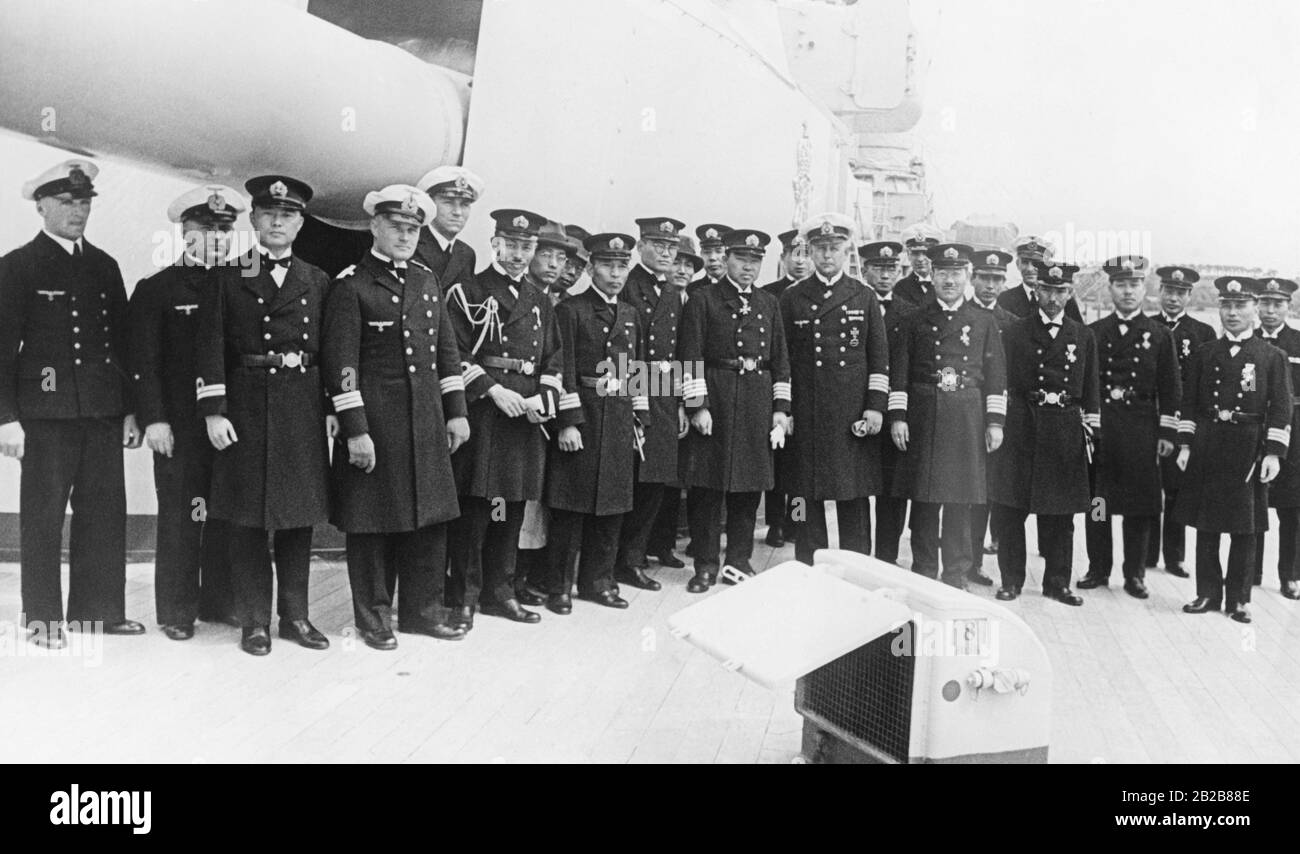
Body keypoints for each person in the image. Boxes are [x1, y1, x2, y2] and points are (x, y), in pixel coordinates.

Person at [0, 159, 145, 649]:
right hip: (45, 416)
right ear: (40, 205)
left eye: (83, 202)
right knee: (43, 517)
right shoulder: (17, 266)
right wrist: (6, 418)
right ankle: (42, 618)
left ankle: (99, 612)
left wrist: (129, 409)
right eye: (66, 202)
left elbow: (123, 345)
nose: (77, 211)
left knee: (104, 514)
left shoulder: (104, 265)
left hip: (102, 412)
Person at [322, 185, 471, 650]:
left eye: (412, 228)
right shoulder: (351, 285)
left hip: (425, 422)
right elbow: (341, 366)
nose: (405, 235)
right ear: (375, 227)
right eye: (396, 227)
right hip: (376, 425)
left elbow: (446, 353)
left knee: (429, 520)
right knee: (371, 524)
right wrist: (356, 431)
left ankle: (423, 613)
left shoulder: (427, 281)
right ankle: (374, 618)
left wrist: (457, 413)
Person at [195, 175, 332, 656]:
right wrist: (214, 410)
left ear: (299, 224)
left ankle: (295, 616)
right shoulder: (227, 277)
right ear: (254, 220)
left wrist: (335, 407)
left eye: (288, 215)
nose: (278, 221)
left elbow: (331, 353)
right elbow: (208, 347)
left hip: (301, 407)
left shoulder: (317, 280)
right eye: (269, 213)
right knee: (247, 520)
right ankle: (254, 621)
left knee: (298, 518)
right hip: (246, 408)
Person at [128, 184, 241, 640]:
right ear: (184, 232)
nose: (215, 238)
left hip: (229, 425)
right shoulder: (157, 289)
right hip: (178, 426)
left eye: (223, 230)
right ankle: (176, 611)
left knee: (223, 514)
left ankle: (218, 602)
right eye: (205, 229)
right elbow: (142, 362)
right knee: (181, 517)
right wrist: (153, 418)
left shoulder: (241, 286)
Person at [446, 208, 560, 629]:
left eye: (525, 246)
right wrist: (494, 391)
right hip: (486, 415)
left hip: (525, 417)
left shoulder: (538, 300)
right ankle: (463, 597)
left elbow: (553, 359)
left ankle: (500, 592)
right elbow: (454, 354)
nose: (518, 254)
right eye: (511, 244)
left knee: (509, 509)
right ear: (494, 243)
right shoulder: (468, 291)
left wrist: (544, 398)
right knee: (477, 511)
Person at [678, 229, 791, 591]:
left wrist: (780, 409)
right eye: (742, 259)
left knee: (748, 487)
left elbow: (780, 360)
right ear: (726, 258)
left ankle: (737, 561)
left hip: (757, 399)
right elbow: (690, 356)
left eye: (755, 261)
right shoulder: (703, 300)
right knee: (708, 488)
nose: (748, 267)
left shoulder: (768, 303)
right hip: (717, 394)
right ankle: (706, 565)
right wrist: (697, 405)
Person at [888, 243, 1006, 588]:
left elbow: (996, 376)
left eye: (956, 274)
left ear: (967, 276)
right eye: (943, 273)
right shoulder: (914, 319)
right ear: (932, 276)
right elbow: (900, 371)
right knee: (924, 499)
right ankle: (924, 568)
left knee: (960, 499)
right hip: (925, 412)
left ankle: (955, 572)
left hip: (967, 414)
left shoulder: (984, 321)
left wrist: (995, 423)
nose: (950, 280)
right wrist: (898, 415)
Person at [1176, 277, 1292, 624]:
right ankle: (1206, 593)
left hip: (1249, 448)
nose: (1232, 313)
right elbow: (1190, 403)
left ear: (1255, 309)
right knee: (1206, 525)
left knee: (1245, 527)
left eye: (1240, 306)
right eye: (1226, 305)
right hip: (1209, 444)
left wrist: (1273, 452)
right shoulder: (1204, 353)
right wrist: (1185, 444)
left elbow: (1282, 407)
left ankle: (1239, 599)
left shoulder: (1272, 356)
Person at [544, 232, 647, 613]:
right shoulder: (571, 311)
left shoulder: (631, 315)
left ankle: (598, 583)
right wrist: (568, 422)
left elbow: (636, 369)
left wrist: (641, 417)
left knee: (612, 507)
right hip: (583, 417)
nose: (615, 274)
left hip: (619, 418)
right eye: (607, 265)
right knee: (571, 508)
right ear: (591, 268)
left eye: (622, 266)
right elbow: (562, 367)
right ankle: (558, 586)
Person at [779, 214, 888, 564]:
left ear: (847, 251)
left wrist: (874, 407)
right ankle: (803, 558)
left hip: (850, 411)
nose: (827, 256)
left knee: (854, 492)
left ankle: (859, 562)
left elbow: (879, 359)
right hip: (807, 409)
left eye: (835, 248)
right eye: (820, 249)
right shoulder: (793, 297)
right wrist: (785, 410)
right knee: (800, 492)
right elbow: (783, 359)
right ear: (809, 251)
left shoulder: (863, 296)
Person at [989, 260, 1099, 604]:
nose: (1053, 297)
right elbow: (1001, 380)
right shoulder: (1015, 331)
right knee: (1010, 510)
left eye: (1060, 291)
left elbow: (1091, 389)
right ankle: (1011, 580)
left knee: (1060, 514)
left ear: (1070, 293)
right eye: (1047, 290)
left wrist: (1091, 432)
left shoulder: (1083, 336)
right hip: (1022, 425)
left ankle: (1057, 582)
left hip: (1063, 429)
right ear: (1036, 291)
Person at [1079, 256, 1180, 599]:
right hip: (1102, 430)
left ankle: (1135, 574)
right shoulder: (1094, 333)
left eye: (1134, 284)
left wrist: (1167, 433)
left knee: (1138, 507)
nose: (1127, 291)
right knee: (1099, 505)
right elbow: (1084, 385)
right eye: (1120, 284)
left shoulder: (1159, 335)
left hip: (1141, 432)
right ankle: (1098, 568)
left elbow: (1171, 388)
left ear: (1144, 288)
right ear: (1110, 288)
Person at [613, 217, 686, 590]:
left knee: (656, 481)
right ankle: (621, 559)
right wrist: (636, 404)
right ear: (641, 245)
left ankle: (635, 555)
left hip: (664, 392)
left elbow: (680, 352)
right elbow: (621, 350)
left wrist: (685, 402)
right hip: (629, 391)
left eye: (671, 247)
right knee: (630, 480)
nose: (665, 252)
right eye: (657, 244)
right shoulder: (626, 284)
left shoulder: (673, 292)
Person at [1145, 266, 1215, 577]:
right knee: (1146, 488)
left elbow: (1205, 384)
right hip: (1146, 421)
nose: (1174, 298)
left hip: (1182, 421)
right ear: (1160, 292)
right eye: (1169, 291)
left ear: (1189, 295)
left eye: (1180, 293)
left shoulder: (1202, 333)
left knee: (1175, 489)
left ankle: (1174, 557)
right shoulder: (1145, 327)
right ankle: (1145, 555)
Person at [645, 233, 703, 569]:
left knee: (671, 478)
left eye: (687, 265)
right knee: (649, 477)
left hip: (672, 398)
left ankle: (662, 544)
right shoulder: (643, 291)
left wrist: (685, 402)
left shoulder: (686, 299)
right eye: (676, 261)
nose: (681, 269)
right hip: (646, 395)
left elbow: (688, 352)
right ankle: (638, 551)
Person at [859, 240, 916, 565]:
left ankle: (886, 558)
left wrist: (897, 413)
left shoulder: (909, 313)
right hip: (862, 410)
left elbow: (905, 369)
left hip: (893, 414)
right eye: (878, 268)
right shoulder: (853, 303)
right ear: (865, 269)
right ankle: (861, 556)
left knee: (892, 493)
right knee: (858, 490)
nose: (884, 275)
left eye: (891, 268)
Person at [966, 249, 1017, 585]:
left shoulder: (1011, 324)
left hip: (999, 419)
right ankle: (959, 559)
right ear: (972, 279)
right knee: (963, 490)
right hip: (966, 414)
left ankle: (976, 561)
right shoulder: (961, 314)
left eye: (997, 279)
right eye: (984, 277)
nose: (990, 285)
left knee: (987, 492)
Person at [762, 229, 813, 548]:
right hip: (778, 387)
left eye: (806, 254)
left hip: (809, 390)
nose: (800, 261)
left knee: (802, 464)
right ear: (782, 259)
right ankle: (775, 524)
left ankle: (797, 521)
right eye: (794, 255)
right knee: (777, 460)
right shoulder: (771, 295)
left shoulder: (817, 294)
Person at [1253, 277, 1300, 599]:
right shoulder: (1247, 340)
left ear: (1289, 306)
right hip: (1254, 431)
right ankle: (1250, 571)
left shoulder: (1298, 341)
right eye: (1265, 304)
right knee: (1253, 503)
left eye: (1277, 304)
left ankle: (1289, 576)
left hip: (1294, 435)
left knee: (1292, 509)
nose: (1270, 311)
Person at [413, 165, 483, 295]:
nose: (457, 212)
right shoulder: (410, 244)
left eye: (464, 204)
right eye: (448, 202)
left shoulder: (466, 254)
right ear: (430, 204)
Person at [997, 236, 1083, 322]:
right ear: (1017, 264)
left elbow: (1079, 332)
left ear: (1046, 265)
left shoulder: (1064, 299)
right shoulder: (1006, 299)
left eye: (1036, 263)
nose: (1029, 269)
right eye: (1025, 262)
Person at [529, 220, 571, 304]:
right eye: (546, 255)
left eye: (561, 257)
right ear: (531, 254)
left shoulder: (558, 306)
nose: (553, 264)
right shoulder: (513, 294)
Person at [894, 232, 938, 305]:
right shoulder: (901, 287)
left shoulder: (942, 284)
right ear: (908, 255)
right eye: (915, 253)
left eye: (925, 253)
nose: (920, 259)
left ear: (934, 255)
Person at [688, 223, 731, 297]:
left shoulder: (741, 288)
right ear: (701, 254)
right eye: (707, 252)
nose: (712, 258)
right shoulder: (690, 290)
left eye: (718, 251)